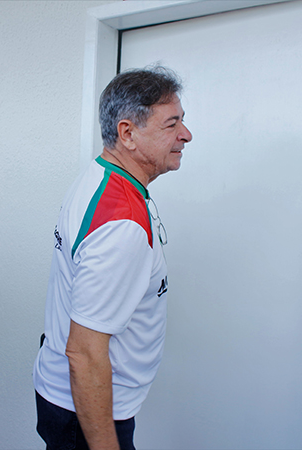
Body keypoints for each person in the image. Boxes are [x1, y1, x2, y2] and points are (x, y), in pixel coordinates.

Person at [33, 66, 192, 449]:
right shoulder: (122, 224)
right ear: (127, 134)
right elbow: (85, 354)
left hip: (70, 399)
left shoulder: (103, 177)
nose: (186, 135)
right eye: (172, 124)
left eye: (182, 121)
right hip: (87, 414)